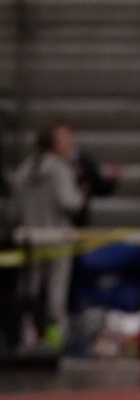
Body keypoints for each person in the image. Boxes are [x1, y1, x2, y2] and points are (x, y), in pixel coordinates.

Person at [10, 123, 85, 346]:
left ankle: (25, 339)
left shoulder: (24, 169)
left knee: (30, 290)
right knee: (55, 294)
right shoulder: (60, 169)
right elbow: (69, 202)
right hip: (58, 238)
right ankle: (55, 345)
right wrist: (81, 195)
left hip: (30, 238)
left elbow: (13, 210)